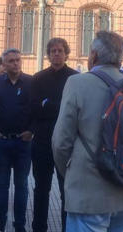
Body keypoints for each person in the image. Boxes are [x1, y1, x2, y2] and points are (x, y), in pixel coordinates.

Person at [53, 31, 123, 232]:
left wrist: (71, 173)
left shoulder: (77, 83)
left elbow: (61, 142)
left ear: (94, 55)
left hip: (89, 191)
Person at [30, 37, 78, 232]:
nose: (56, 53)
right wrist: (58, 107)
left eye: (60, 50)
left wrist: (47, 104)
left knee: (67, 188)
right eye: (53, 51)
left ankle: (67, 227)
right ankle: (38, 227)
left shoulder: (75, 78)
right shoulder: (38, 78)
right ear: (48, 55)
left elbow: (74, 110)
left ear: (66, 53)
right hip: (42, 140)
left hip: (67, 142)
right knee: (41, 188)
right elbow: (34, 108)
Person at [0, 48, 33, 232]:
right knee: (2, 186)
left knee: (22, 186)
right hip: (2, 142)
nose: (16, 63)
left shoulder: (30, 82)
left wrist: (31, 130)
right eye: (11, 61)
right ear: (4, 64)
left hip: (23, 142)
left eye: (18, 60)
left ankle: (20, 225)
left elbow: (36, 109)